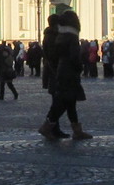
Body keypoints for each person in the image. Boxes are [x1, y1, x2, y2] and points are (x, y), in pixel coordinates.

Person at [38, 9, 90, 140]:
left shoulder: (60, 37)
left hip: (62, 71)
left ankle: (77, 131)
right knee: (63, 102)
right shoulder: (71, 37)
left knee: (69, 102)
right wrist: (79, 67)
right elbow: (74, 57)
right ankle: (47, 126)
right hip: (69, 73)